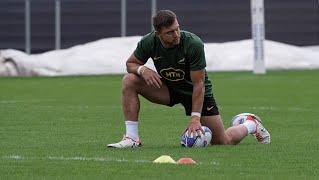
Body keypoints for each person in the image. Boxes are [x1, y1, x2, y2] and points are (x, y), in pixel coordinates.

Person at [107, 10, 270, 148]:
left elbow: (199, 84)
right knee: (129, 80)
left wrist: (195, 118)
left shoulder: (193, 44)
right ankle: (132, 138)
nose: (176, 34)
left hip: (196, 92)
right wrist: (142, 69)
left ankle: (250, 124)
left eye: (177, 29)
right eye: (170, 32)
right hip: (169, 89)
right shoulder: (149, 42)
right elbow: (130, 64)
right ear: (158, 34)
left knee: (223, 141)